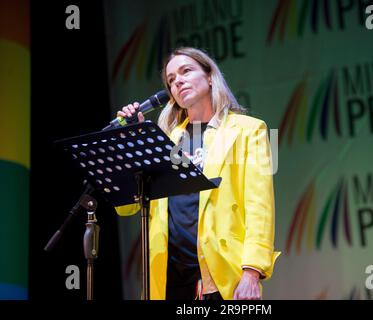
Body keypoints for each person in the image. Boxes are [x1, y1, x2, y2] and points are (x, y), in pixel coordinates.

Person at [116, 47, 280, 300]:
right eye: (171, 80)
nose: (177, 81)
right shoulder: (165, 140)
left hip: (222, 275)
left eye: (186, 71)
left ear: (210, 76)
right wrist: (133, 143)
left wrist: (252, 271)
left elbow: (260, 207)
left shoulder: (249, 130)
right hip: (169, 277)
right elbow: (127, 207)